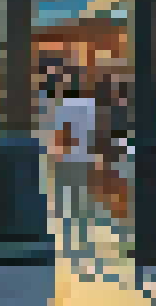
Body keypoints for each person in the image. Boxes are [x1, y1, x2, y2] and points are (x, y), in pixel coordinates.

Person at [47, 74, 97, 257]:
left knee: (64, 202)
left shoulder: (62, 107)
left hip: (66, 160)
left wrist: (54, 155)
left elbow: (62, 133)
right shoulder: (90, 106)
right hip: (85, 159)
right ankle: (84, 241)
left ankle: (68, 243)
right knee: (82, 202)